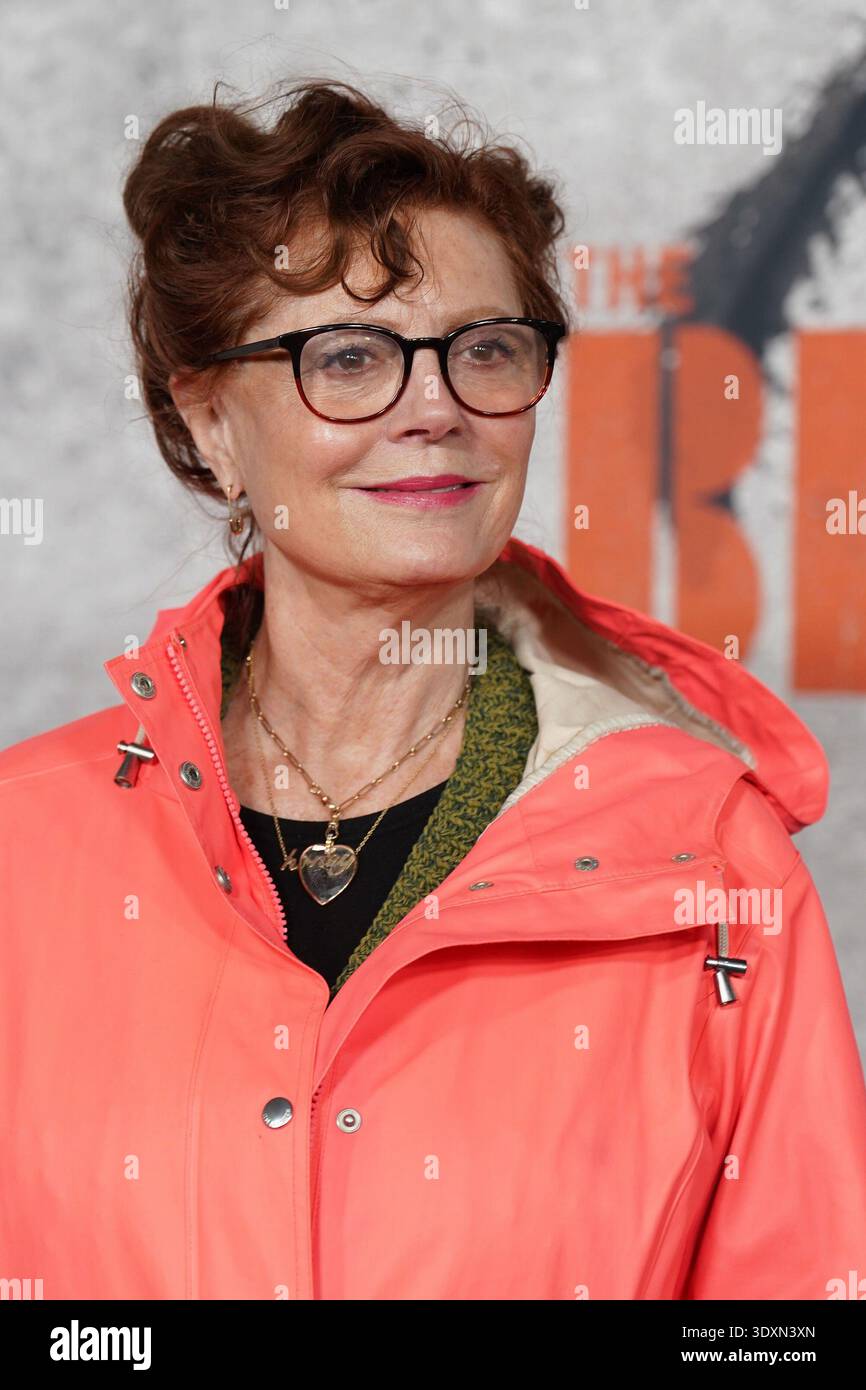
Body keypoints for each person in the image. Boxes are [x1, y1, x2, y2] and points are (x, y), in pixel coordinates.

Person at [1, 77, 865, 1302]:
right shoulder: (19, 845)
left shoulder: (708, 857)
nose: (436, 409)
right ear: (207, 424)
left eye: (486, 350)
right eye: (346, 357)